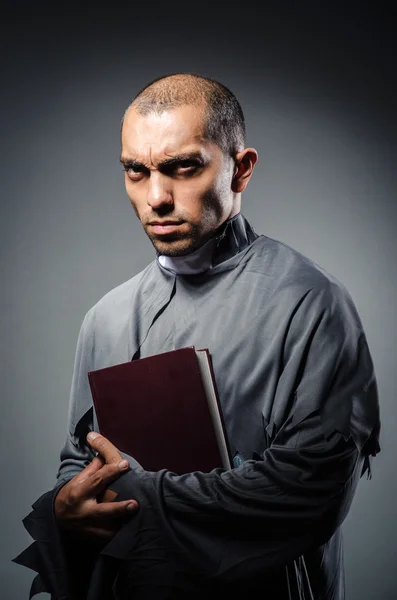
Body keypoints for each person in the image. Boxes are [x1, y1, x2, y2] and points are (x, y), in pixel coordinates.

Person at [14, 73, 381, 600]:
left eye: (182, 168)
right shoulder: (105, 317)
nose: (156, 197)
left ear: (241, 169)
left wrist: (132, 496)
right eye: (135, 172)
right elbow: (79, 463)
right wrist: (64, 507)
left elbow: (306, 490)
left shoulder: (310, 303)